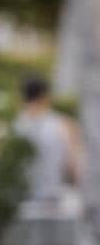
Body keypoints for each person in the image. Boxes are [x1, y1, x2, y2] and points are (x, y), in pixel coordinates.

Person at [16, 75, 82, 210]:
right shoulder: (64, 125)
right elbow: (74, 167)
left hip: (20, 201)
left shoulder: (11, 127)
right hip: (52, 201)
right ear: (46, 96)